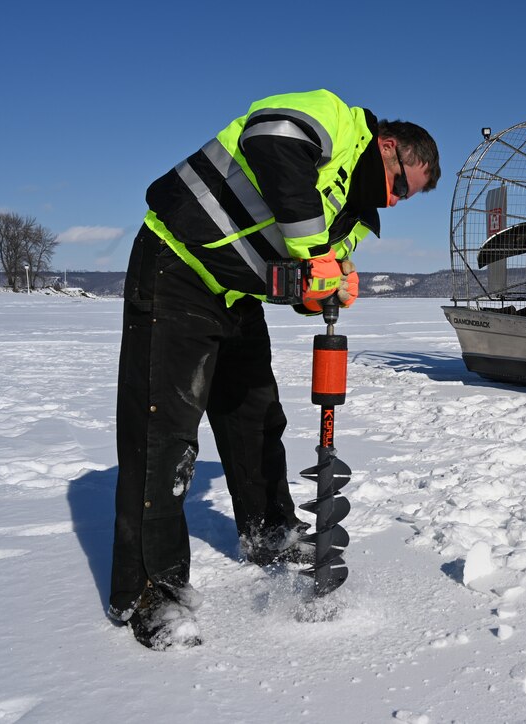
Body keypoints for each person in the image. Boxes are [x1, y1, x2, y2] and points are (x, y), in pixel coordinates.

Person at [108, 89, 440, 650]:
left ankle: (269, 532)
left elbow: (297, 277)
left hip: (237, 296)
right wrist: (316, 255)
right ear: (387, 146)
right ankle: (148, 593)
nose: (397, 200)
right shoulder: (334, 120)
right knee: (162, 435)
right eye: (402, 184)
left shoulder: (355, 219)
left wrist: (325, 289)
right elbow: (271, 142)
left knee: (256, 419)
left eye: (409, 198)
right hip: (177, 266)